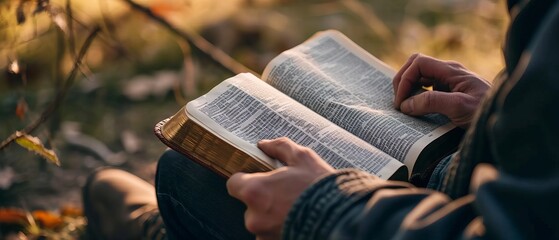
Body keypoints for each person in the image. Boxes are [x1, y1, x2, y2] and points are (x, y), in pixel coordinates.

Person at [82, 0, 559, 239]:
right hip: (472, 182)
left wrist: (325, 209)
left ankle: (169, 227)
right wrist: (502, 106)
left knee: (186, 174)